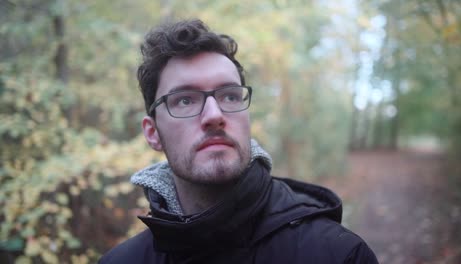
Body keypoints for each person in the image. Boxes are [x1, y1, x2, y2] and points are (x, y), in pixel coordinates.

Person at [99, 19, 378, 263]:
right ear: (152, 133)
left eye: (230, 96)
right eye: (184, 100)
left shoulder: (338, 255)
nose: (214, 115)